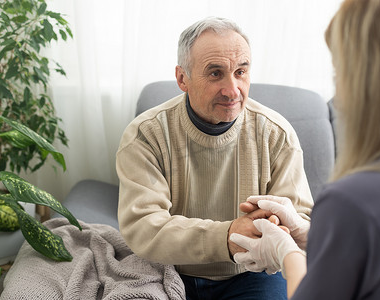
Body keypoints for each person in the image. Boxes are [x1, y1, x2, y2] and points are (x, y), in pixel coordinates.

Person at [231, 0, 380, 298]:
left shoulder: (352, 201)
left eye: (339, 71)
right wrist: (311, 235)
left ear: (363, 80)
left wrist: (288, 255)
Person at [116, 17, 313, 300]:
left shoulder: (277, 134)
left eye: (241, 72)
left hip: (251, 275)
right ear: (182, 78)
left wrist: (278, 226)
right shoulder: (145, 135)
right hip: (168, 270)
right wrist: (229, 236)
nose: (233, 90)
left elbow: (299, 222)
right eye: (215, 73)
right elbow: (145, 228)